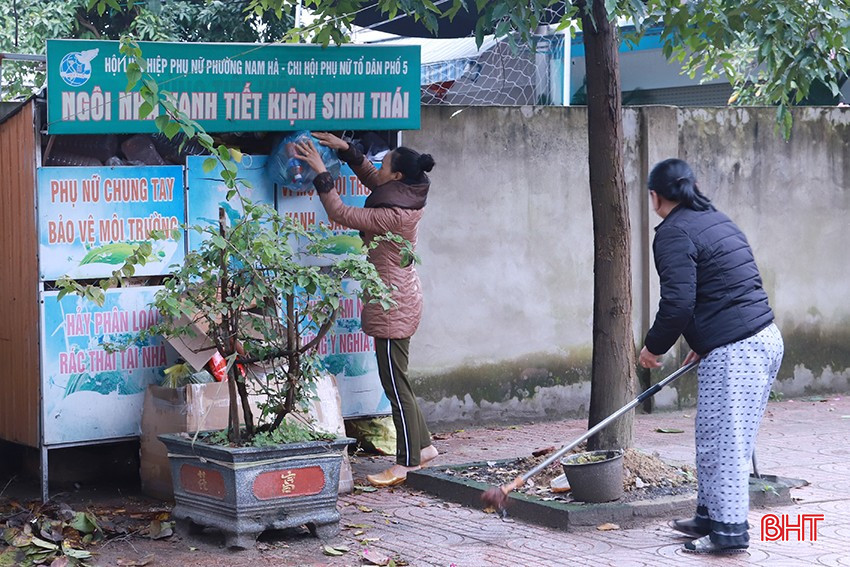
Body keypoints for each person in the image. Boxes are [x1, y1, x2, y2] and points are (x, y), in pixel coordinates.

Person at [638, 158, 784, 554]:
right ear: (693, 186)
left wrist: (652, 348)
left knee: (727, 444)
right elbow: (725, 287)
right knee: (711, 437)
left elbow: (678, 304)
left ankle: (729, 533)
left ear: (655, 197)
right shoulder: (715, 219)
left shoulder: (673, 232)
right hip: (760, 340)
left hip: (738, 349)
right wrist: (701, 342)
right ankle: (708, 514)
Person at [294, 133, 439, 487]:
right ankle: (424, 448)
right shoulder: (407, 194)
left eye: (385, 165)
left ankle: (406, 464)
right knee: (399, 379)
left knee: (394, 386)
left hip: (394, 304)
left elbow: (340, 212)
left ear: (398, 177)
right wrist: (348, 152)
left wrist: (319, 170)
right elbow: (375, 180)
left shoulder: (393, 214)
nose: (379, 168)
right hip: (401, 296)